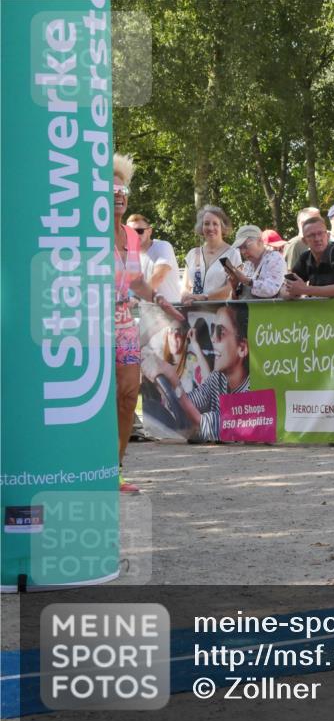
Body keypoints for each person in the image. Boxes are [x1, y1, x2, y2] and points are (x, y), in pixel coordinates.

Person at [112, 153, 184, 492]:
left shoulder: (130, 234)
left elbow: (137, 281)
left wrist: (160, 300)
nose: (119, 195)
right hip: (91, 326)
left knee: (128, 396)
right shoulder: (86, 231)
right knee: (99, 399)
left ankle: (116, 470)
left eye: (123, 189)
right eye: (111, 189)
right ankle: (88, 467)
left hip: (125, 324)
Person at [154, 304, 250, 442]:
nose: (212, 338)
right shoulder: (218, 378)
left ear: (242, 348)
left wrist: (173, 382)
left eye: (220, 332)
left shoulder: (252, 389)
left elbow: (209, 424)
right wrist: (169, 390)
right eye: (212, 330)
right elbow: (192, 402)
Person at [286, 215, 334, 298]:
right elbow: (285, 289)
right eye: (311, 235)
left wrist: (304, 289)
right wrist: (291, 293)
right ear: (304, 241)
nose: (317, 239)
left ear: (327, 236)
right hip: (319, 310)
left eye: (320, 233)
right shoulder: (305, 258)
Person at [181, 205, 241, 303]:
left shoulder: (232, 254)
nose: (210, 228)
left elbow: (231, 288)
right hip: (193, 313)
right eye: (206, 223)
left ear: (222, 227)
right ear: (202, 227)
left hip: (221, 313)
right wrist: (186, 296)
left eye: (215, 224)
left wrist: (204, 297)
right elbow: (185, 286)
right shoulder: (193, 254)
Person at [127, 213, 182, 303]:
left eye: (139, 231)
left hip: (169, 313)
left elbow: (159, 276)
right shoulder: (130, 257)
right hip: (146, 314)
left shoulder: (162, 246)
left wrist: (136, 298)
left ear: (149, 231)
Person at [226, 225, 287, 300]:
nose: (243, 252)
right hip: (248, 310)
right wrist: (234, 285)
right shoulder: (248, 265)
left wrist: (246, 281)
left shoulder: (275, 258)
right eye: (240, 248)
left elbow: (272, 289)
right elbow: (237, 299)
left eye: (245, 246)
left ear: (260, 241)